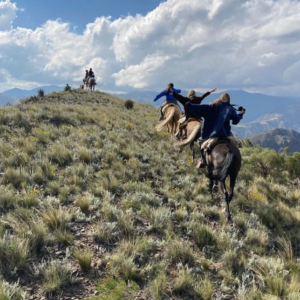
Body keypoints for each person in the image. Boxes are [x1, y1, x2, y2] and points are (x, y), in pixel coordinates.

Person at [183, 93, 245, 168]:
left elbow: (198, 108)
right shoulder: (230, 109)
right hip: (226, 135)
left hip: (210, 135)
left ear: (220, 98)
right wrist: (241, 114)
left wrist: (187, 104)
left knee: (201, 143)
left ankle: (202, 160)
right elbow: (235, 121)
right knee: (236, 145)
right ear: (228, 100)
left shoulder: (211, 106)